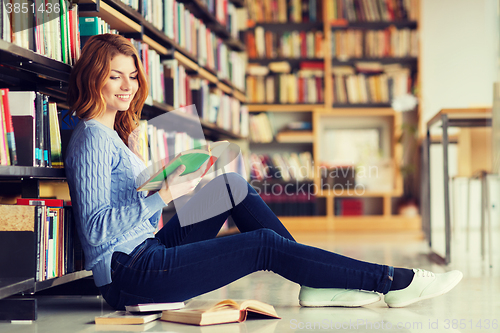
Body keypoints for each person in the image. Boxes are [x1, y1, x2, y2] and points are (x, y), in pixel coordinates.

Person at [64, 34, 462, 311]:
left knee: (229, 186)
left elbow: (133, 215)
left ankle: (314, 282)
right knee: (261, 245)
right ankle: (393, 281)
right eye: (115, 75)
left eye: (132, 75)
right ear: (93, 75)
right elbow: (97, 231)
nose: (128, 86)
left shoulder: (115, 134)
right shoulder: (92, 138)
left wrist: (169, 182)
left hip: (144, 252)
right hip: (129, 275)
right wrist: (164, 194)